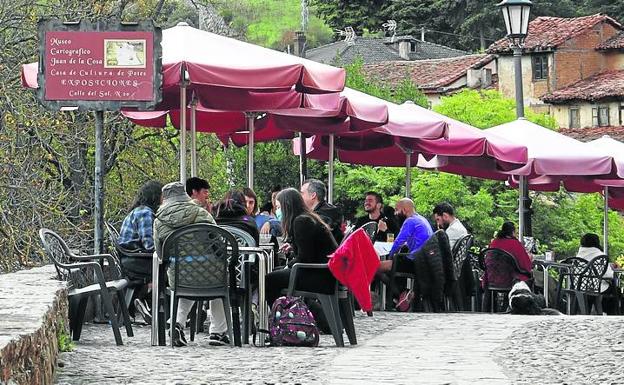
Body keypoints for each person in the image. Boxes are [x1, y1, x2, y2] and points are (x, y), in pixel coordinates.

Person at [153, 182, 227, 347]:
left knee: (187, 279)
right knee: (219, 277)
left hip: (180, 275)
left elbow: (161, 254)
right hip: (211, 275)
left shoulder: (158, 221)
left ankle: (176, 324)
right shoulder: (202, 214)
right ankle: (218, 331)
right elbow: (218, 245)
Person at [265, 188, 338, 306]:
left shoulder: (301, 222)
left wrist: (288, 266)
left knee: (269, 280)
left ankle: (281, 318)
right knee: (275, 274)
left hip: (320, 276)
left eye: (279, 207)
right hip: (325, 273)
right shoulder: (307, 218)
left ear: (287, 206)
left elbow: (305, 258)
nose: (277, 211)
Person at [117, 180, 162, 323]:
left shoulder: (139, 210)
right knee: (168, 269)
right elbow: (149, 244)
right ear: (156, 196)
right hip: (135, 261)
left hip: (130, 258)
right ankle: (149, 302)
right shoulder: (145, 213)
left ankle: (144, 300)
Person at [378, 198, 434, 272]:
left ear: (405, 209)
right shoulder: (422, 219)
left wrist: (390, 257)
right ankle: (393, 283)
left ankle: (393, 284)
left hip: (416, 262)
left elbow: (398, 242)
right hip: (425, 260)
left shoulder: (410, 221)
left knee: (374, 268)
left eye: (397, 210)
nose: (395, 213)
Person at [300, 179, 343, 244]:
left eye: (302, 193)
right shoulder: (332, 210)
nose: (300, 197)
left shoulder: (319, 218)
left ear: (313, 195)